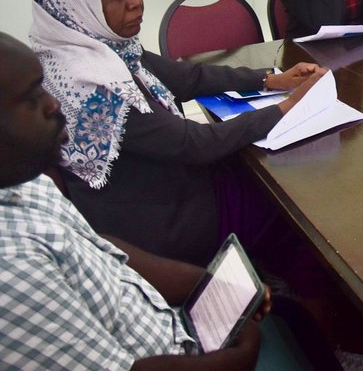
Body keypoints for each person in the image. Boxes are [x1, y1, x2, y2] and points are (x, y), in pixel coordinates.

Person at [29, 0, 322, 267]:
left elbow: (186, 76)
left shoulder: (98, 51)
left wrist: (268, 80)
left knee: (262, 174)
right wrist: (289, 108)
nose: (135, 1)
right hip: (159, 229)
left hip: (159, 192)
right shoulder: (96, 85)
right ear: (78, 7)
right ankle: (300, 303)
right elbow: (194, 143)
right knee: (292, 206)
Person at [0, 30, 266, 369]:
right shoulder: (12, 270)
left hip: (165, 320)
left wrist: (207, 283)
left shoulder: (25, 183)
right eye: (30, 97)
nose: (53, 102)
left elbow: (99, 247)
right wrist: (239, 358)